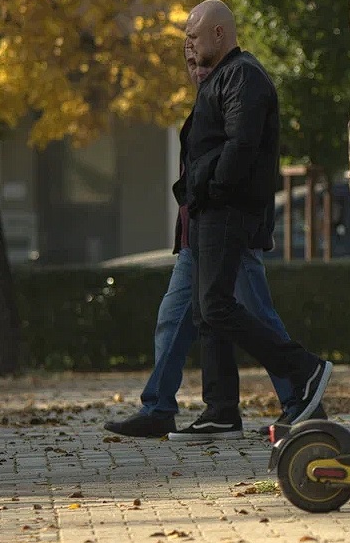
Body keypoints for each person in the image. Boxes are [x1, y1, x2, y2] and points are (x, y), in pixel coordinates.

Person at [104, 58, 325, 439]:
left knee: (251, 314)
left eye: (202, 61)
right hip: (196, 238)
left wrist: (219, 197)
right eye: (189, 62)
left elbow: (239, 156)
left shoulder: (237, 85)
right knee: (175, 318)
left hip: (227, 233)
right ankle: (161, 406)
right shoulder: (206, 105)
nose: (196, 68)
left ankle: (302, 400)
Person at [169, 0, 333, 441]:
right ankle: (221, 410)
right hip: (211, 208)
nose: (188, 43)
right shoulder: (221, 78)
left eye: (193, 35)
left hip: (227, 209)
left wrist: (216, 189)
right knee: (207, 311)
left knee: (218, 306)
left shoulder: (244, 75)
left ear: (219, 34)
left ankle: (305, 368)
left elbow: (241, 144)